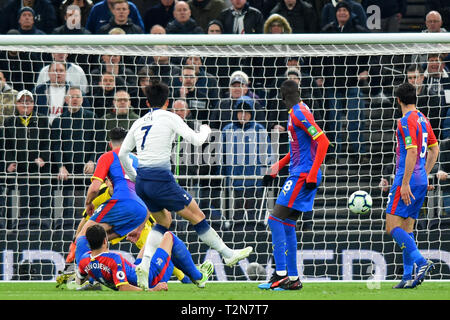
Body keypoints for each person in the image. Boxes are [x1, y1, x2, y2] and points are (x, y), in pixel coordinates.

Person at [118, 81, 252, 288]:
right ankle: (227, 254)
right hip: (160, 178)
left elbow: (122, 153)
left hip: (143, 181)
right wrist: (206, 130)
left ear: (146, 102)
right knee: (198, 216)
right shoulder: (171, 117)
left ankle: (144, 264)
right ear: (168, 102)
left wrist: (134, 176)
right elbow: (197, 140)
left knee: (163, 221)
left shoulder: (139, 121)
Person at [259, 79, 329, 290]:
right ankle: (293, 278)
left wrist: (312, 173)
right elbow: (299, 148)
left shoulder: (299, 113)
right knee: (288, 225)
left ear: (282, 98)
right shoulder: (300, 110)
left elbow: (323, 141)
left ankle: (280, 274)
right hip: (299, 172)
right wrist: (277, 166)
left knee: (274, 220)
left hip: (302, 175)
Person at [385, 82, 439, 289]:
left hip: (404, 178)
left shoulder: (405, 121)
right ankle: (407, 276)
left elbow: (412, 151)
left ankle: (421, 263)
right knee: (407, 227)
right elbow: (434, 149)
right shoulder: (423, 119)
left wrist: (406, 182)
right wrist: (423, 177)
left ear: (398, 100)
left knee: (392, 227)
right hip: (420, 178)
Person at [75, 224, 214, 290]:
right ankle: (199, 277)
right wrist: (152, 290)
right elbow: (124, 288)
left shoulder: (84, 260)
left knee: (150, 243)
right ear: (106, 241)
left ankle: (190, 276)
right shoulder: (113, 259)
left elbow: (79, 281)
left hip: (137, 270)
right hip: (149, 278)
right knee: (168, 237)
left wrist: (94, 278)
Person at [50, 86, 106, 232]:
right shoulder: (58, 121)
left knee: (88, 197)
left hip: (87, 168)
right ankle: (67, 224)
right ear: (66, 99)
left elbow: (99, 144)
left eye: (77, 97)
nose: (74, 99)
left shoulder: (92, 118)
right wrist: (61, 165)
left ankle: (88, 224)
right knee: (68, 196)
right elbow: (56, 146)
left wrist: (93, 161)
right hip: (67, 168)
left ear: (82, 99)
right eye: (72, 96)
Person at [3, 89, 52, 230]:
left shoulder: (42, 120)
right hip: (20, 168)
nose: (26, 104)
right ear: (17, 104)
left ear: (34, 104)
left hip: (38, 168)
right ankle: (23, 224)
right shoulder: (9, 122)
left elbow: (47, 141)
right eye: (22, 101)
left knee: (39, 195)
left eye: (29, 101)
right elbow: (6, 144)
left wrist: (43, 157)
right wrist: (10, 161)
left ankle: (41, 225)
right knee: (23, 196)